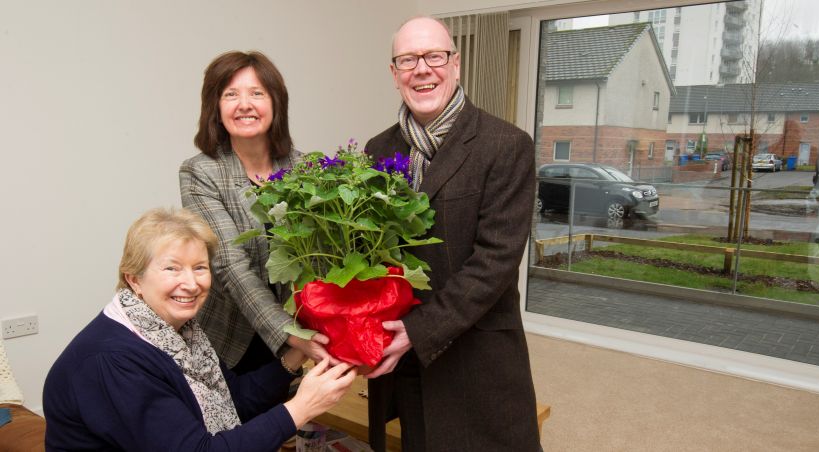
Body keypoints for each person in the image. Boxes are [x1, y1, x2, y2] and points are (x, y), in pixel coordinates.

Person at [364, 16, 542, 452]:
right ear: (394, 74)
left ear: (456, 65)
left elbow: (495, 263)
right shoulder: (377, 151)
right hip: (408, 361)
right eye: (407, 59)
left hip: (477, 355)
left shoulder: (505, 145)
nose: (421, 69)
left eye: (434, 56)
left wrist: (420, 329)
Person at [42, 208, 356, 451]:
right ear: (133, 280)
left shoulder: (181, 330)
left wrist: (296, 354)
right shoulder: (114, 360)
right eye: (172, 268)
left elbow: (235, 400)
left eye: (200, 268)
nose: (191, 284)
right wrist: (301, 408)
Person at [180, 51, 335, 374]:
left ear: (275, 103)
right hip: (229, 342)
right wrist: (291, 335)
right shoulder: (200, 173)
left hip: (302, 329)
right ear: (215, 107)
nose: (244, 104)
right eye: (231, 94)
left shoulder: (305, 168)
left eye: (257, 93)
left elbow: (323, 256)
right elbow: (230, 264)